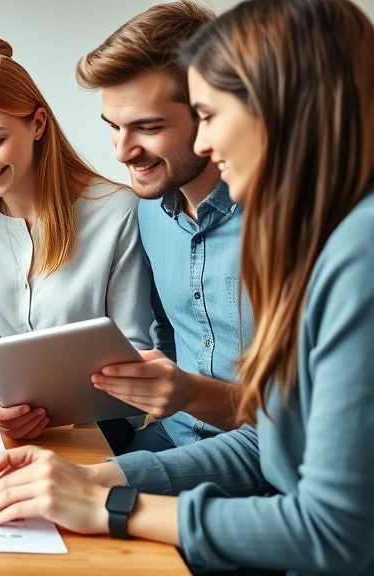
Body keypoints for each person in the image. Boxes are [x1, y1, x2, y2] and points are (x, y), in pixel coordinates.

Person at [0, 0, 374, 573]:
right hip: (213, 469)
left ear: (276, 111)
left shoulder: (351, 249)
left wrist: (108, 503)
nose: (208, 144)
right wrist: (95, 480)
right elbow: (275, 442)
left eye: (210, 115)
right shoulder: (301, 232)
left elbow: (329, 526)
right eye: (113, 126)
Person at [0, 37, 153, 439]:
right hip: (5, 426)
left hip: (100, 425)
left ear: (37, 125)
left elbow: (132, 345)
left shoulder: (116, 211)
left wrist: (60, 413)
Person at [75, 0, 254, 455]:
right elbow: (169, 338)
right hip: (171, 438)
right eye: (112, 126)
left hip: (261, 459)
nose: (121, 152)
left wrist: (190, 393)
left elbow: (307, 419)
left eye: (146, 127)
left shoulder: (289, 222)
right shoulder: (148, 212)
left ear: (209, 112)